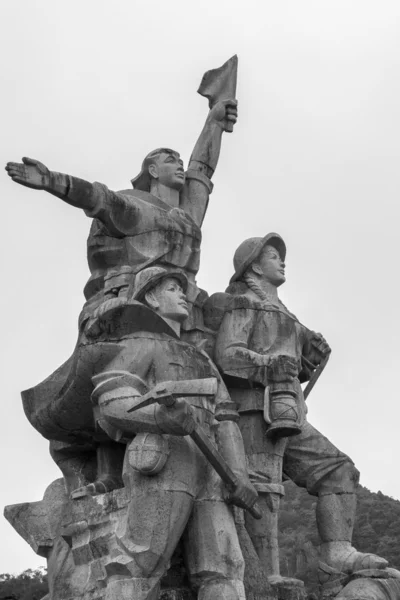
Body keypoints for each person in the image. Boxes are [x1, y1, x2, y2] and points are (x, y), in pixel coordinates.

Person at [6, 98, 237, 495]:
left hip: (181, 309)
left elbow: (202, 167)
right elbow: (96, 197)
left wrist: (214, 120)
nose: (179, 163)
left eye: (178, 158)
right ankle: (107, 469)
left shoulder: (187, 215)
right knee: (117, 376)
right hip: (131, 300)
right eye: (170, 158)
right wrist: (52, 181)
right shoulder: (136, 208)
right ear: (152, 170)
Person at [213, 233, 388, 576]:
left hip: (289, 412)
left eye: (280, 255)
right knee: (262, 489)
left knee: (340, 470)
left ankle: (336, 553)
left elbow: (297, 366)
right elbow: (227, 356)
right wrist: (268, 365)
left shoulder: (286, 314)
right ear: (253, 266)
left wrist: (311, 354)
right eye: (273, 255)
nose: (281, 260)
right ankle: (264, 576)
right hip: (252, 412)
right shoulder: (244, 303)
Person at [85, 266, 258, 600]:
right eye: (171, 288)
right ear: (151, 297)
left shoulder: (202, 357)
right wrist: (161, 418)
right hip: (166, 459)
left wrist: (238, 475)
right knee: (139, 559)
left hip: (213, 469)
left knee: (224, 566)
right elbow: (113, 401)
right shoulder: (140, 343)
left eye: (182, 288)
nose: (183, 295)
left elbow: (226, 418)